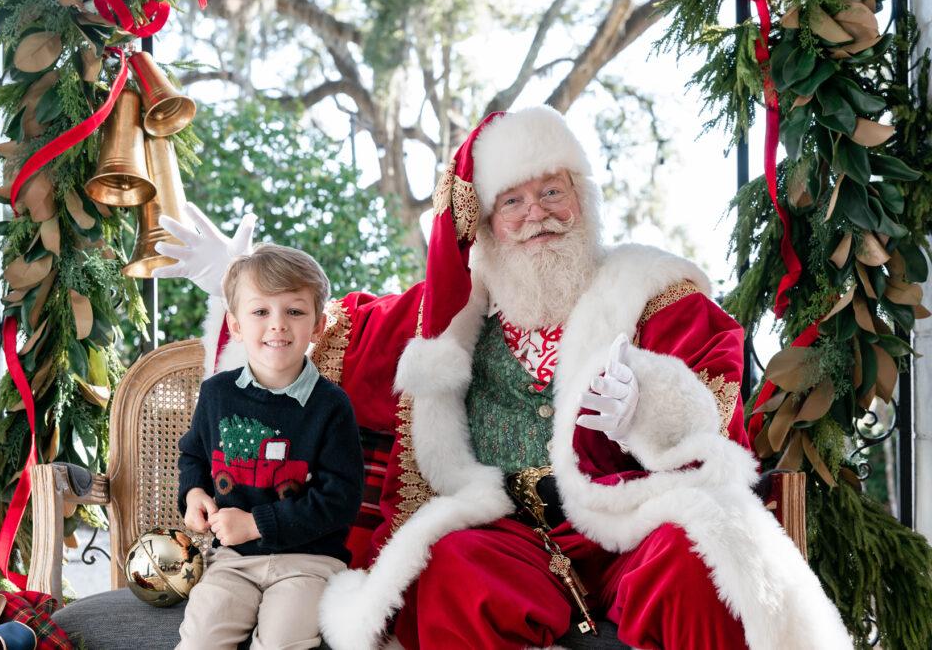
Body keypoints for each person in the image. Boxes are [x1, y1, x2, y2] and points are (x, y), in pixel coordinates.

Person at [156, 107, 851, 650]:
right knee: (451, 565)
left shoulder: (649, 291)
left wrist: (649, 404)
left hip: (631, 516)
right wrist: (235, 284)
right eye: (512, 202)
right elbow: (332, 337)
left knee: (698, 555)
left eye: (553, 191)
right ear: (485, 225)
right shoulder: (454, 312)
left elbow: (714, 405)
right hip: (508, 527)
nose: (537, 215)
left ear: (581, 196)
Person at [175, 243, 364, 650]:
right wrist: (193, 494)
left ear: (318, 326)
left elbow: (341, 500)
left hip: (310, 562)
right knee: (201, 637)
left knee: (283, 642)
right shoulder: (217, 394)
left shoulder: (331, 406)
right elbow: (193, 452)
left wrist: (257, 523)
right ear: (236, 325)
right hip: (235, 559)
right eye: (261, 312)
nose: (277, 325)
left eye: (294, 311)